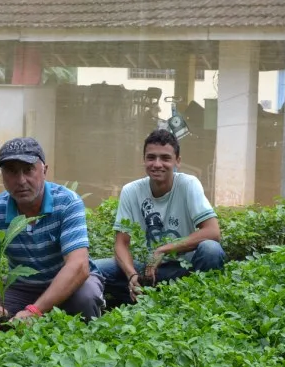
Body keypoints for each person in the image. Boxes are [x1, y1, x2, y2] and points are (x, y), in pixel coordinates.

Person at [0, 137, 104, 334]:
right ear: (2, 175)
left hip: (68, 284)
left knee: (86, 298)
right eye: (11, 171)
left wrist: (35, 310)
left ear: (44, 170)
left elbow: (78, 266)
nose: (20, 181)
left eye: (28, 170)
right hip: (22, 287)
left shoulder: (68, 202)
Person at [94, 128, 226, 305]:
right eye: (151, 157)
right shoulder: (131, 191)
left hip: (184, 269)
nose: (157, 164)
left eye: (165, 158)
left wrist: (162, 250)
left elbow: (212, 232)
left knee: (211, 250)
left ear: (177, 161)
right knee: (91, 269)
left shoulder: (188, 184)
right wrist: (131, 274)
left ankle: (195, 300)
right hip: (146, 269)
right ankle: (142, 291)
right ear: (144, 160)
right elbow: (121, 244)